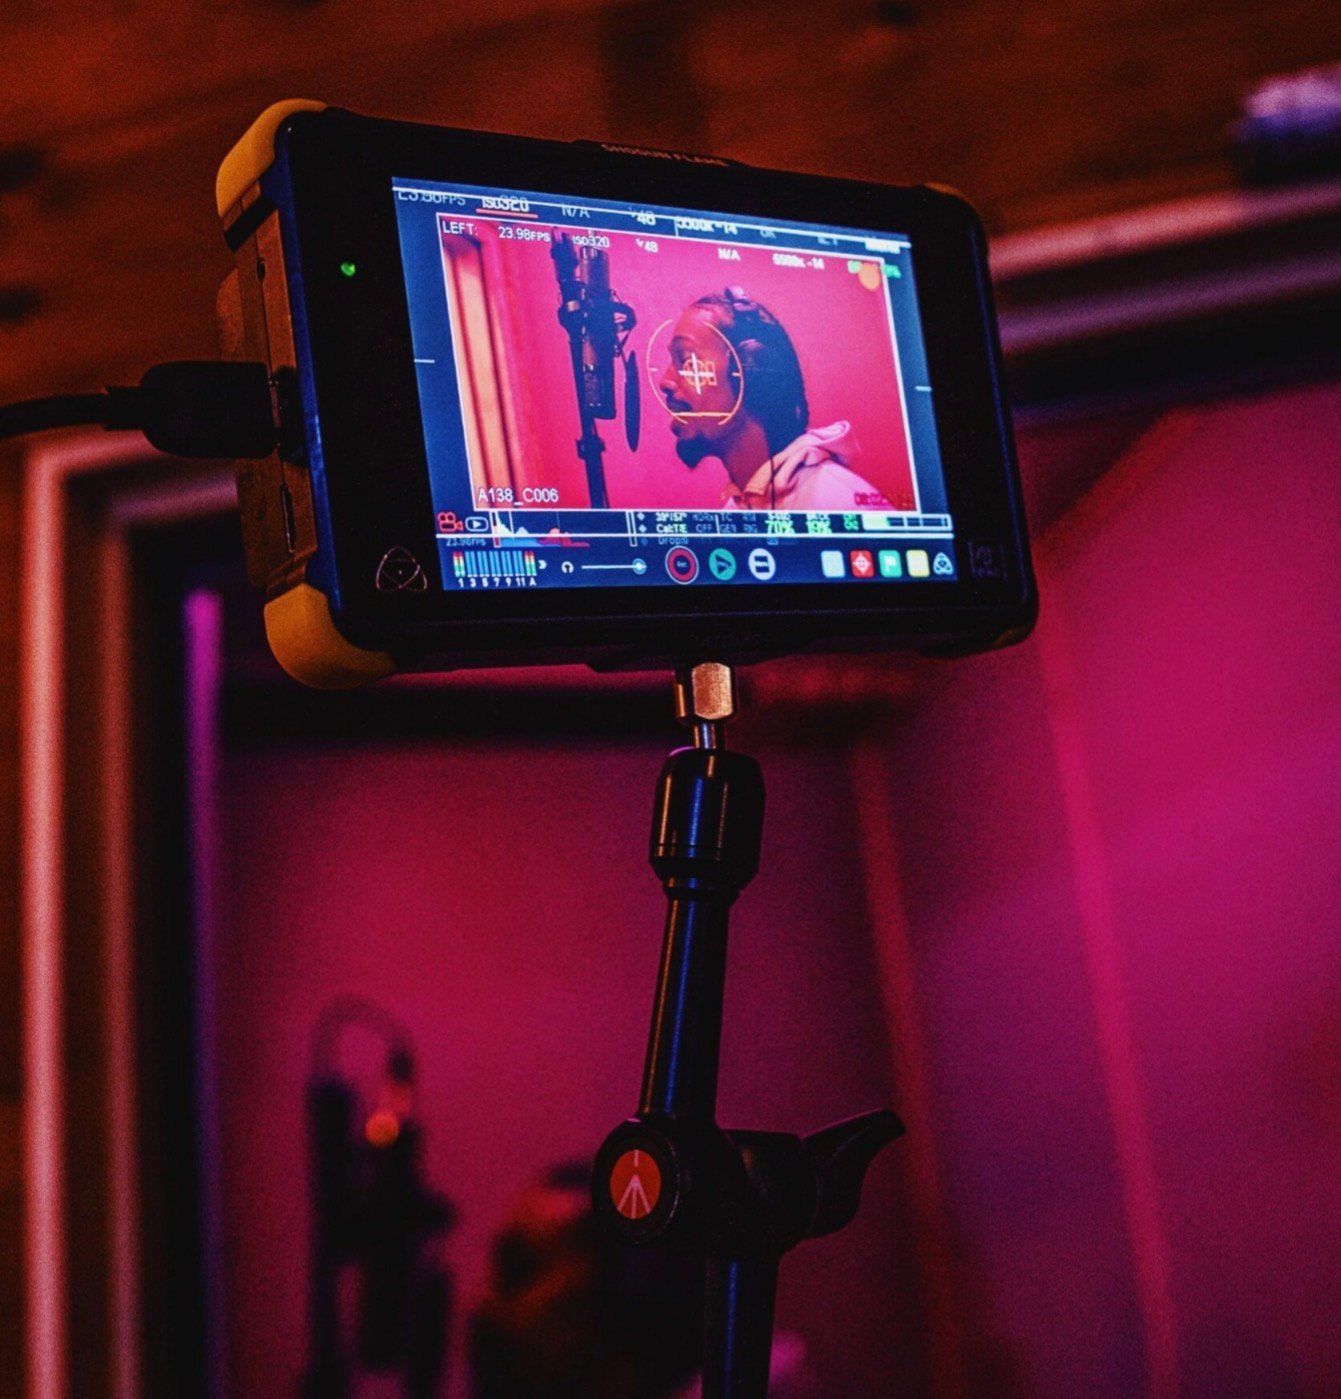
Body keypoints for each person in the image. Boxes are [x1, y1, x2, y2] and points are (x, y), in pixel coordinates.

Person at [657, 288, 891, 512]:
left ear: (750, 374)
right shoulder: (737, 510)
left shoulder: (843, 504)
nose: (665, 382)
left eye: (686, 360)